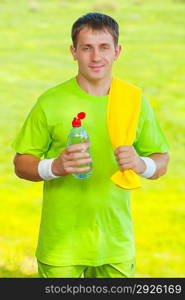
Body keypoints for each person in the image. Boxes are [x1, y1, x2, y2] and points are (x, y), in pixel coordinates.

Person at [12, 12, 170, 278]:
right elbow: (21, 163)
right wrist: (55, 166)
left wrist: (142, 164)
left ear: (117, 51)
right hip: (61, 247)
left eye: (104, 47)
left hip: (115, 245)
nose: (96, 57)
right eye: (86, 48)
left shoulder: (133, 100)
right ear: (73, 52)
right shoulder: (50, 101)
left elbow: (162, 160)